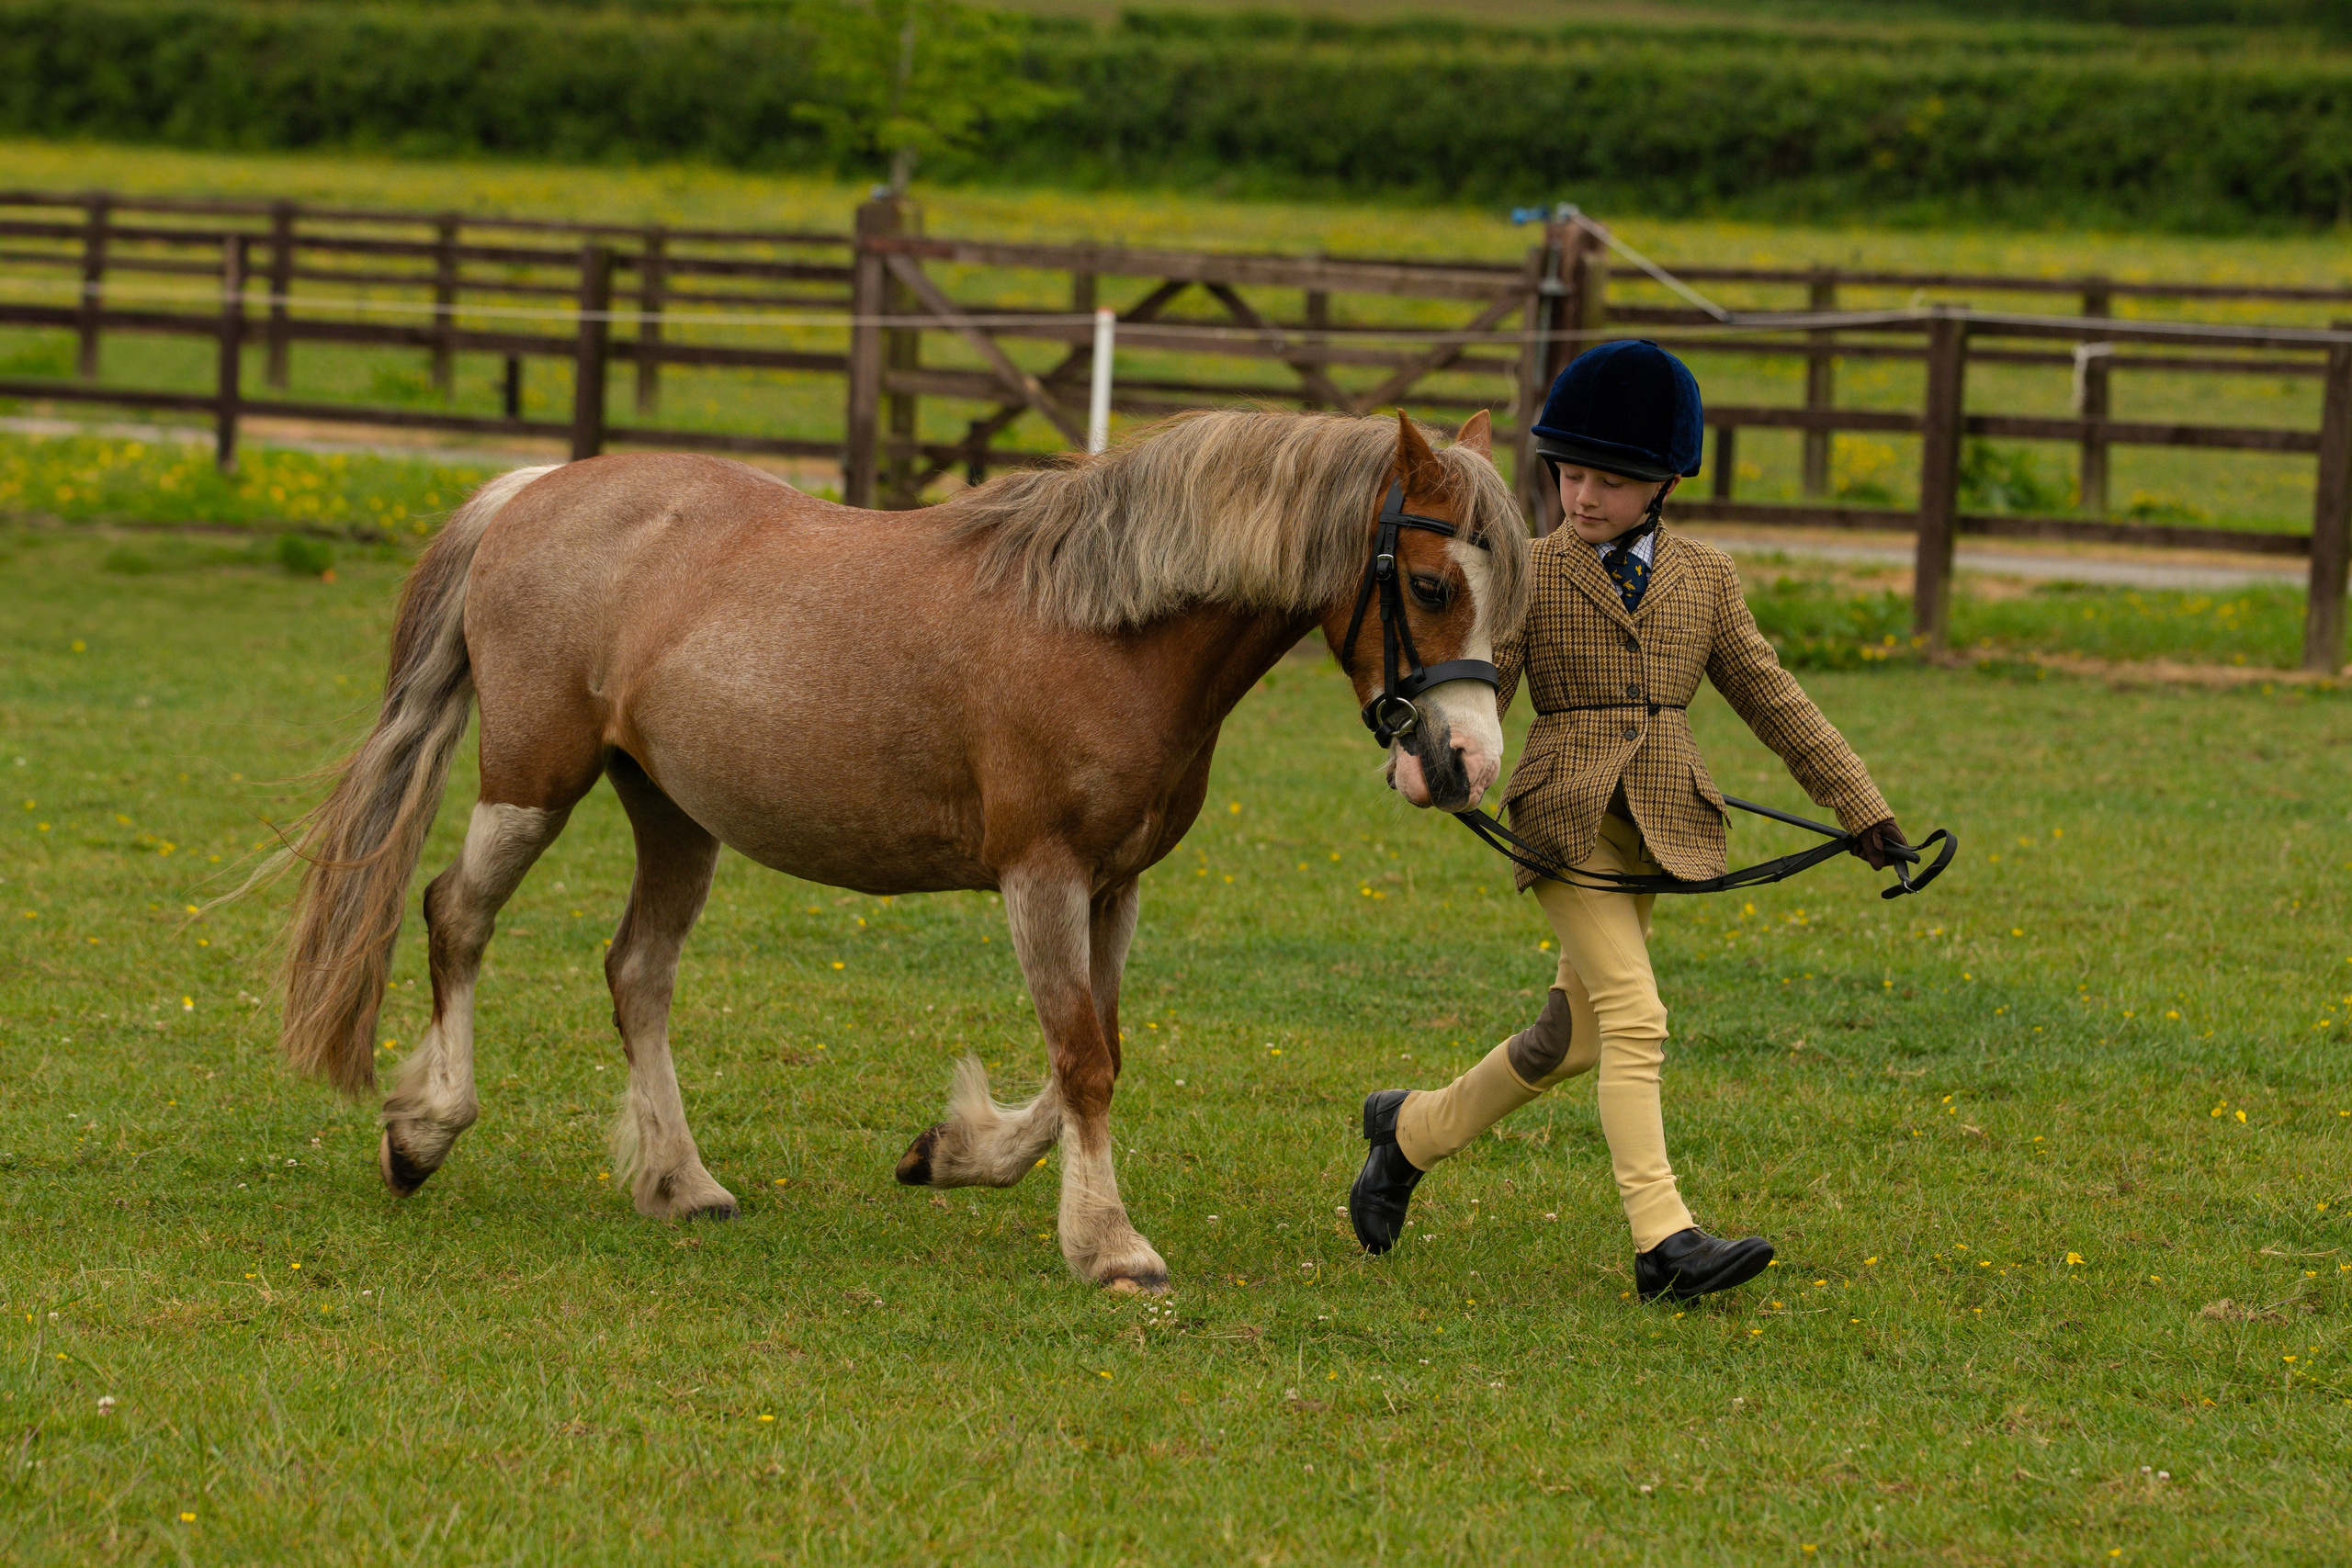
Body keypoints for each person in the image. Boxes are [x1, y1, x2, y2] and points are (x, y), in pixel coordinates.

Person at [1346, 340, 1910, 1303]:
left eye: (1610, 480)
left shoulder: (1706, 580)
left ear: (1665, 484)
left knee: (1569, 1040)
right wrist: (1426, 760)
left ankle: (1406, 1137)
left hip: (1659, 825)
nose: (1581, 497)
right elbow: (1480, 690)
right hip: (1563, 825)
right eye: (1568, 473)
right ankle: (1664, 1241)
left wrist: (1865, 812)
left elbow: (1776, 702)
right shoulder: (1524, 570)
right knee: (1637, 1019)